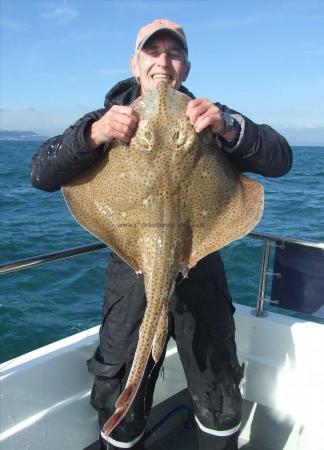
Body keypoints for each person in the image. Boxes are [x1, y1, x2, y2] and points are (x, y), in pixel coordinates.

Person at [31, 19, 292, 450]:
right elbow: (41, 171)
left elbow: (280, 159)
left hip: (201, 271)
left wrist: (229, 126)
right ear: (136, 64)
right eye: (153, 52)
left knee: (219, 393)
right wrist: (93, 135)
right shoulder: (102, 120)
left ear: (185, 68)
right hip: (130, 274)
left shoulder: (211, 117)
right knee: (120, 397)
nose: (163, 62)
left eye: (174, 54)